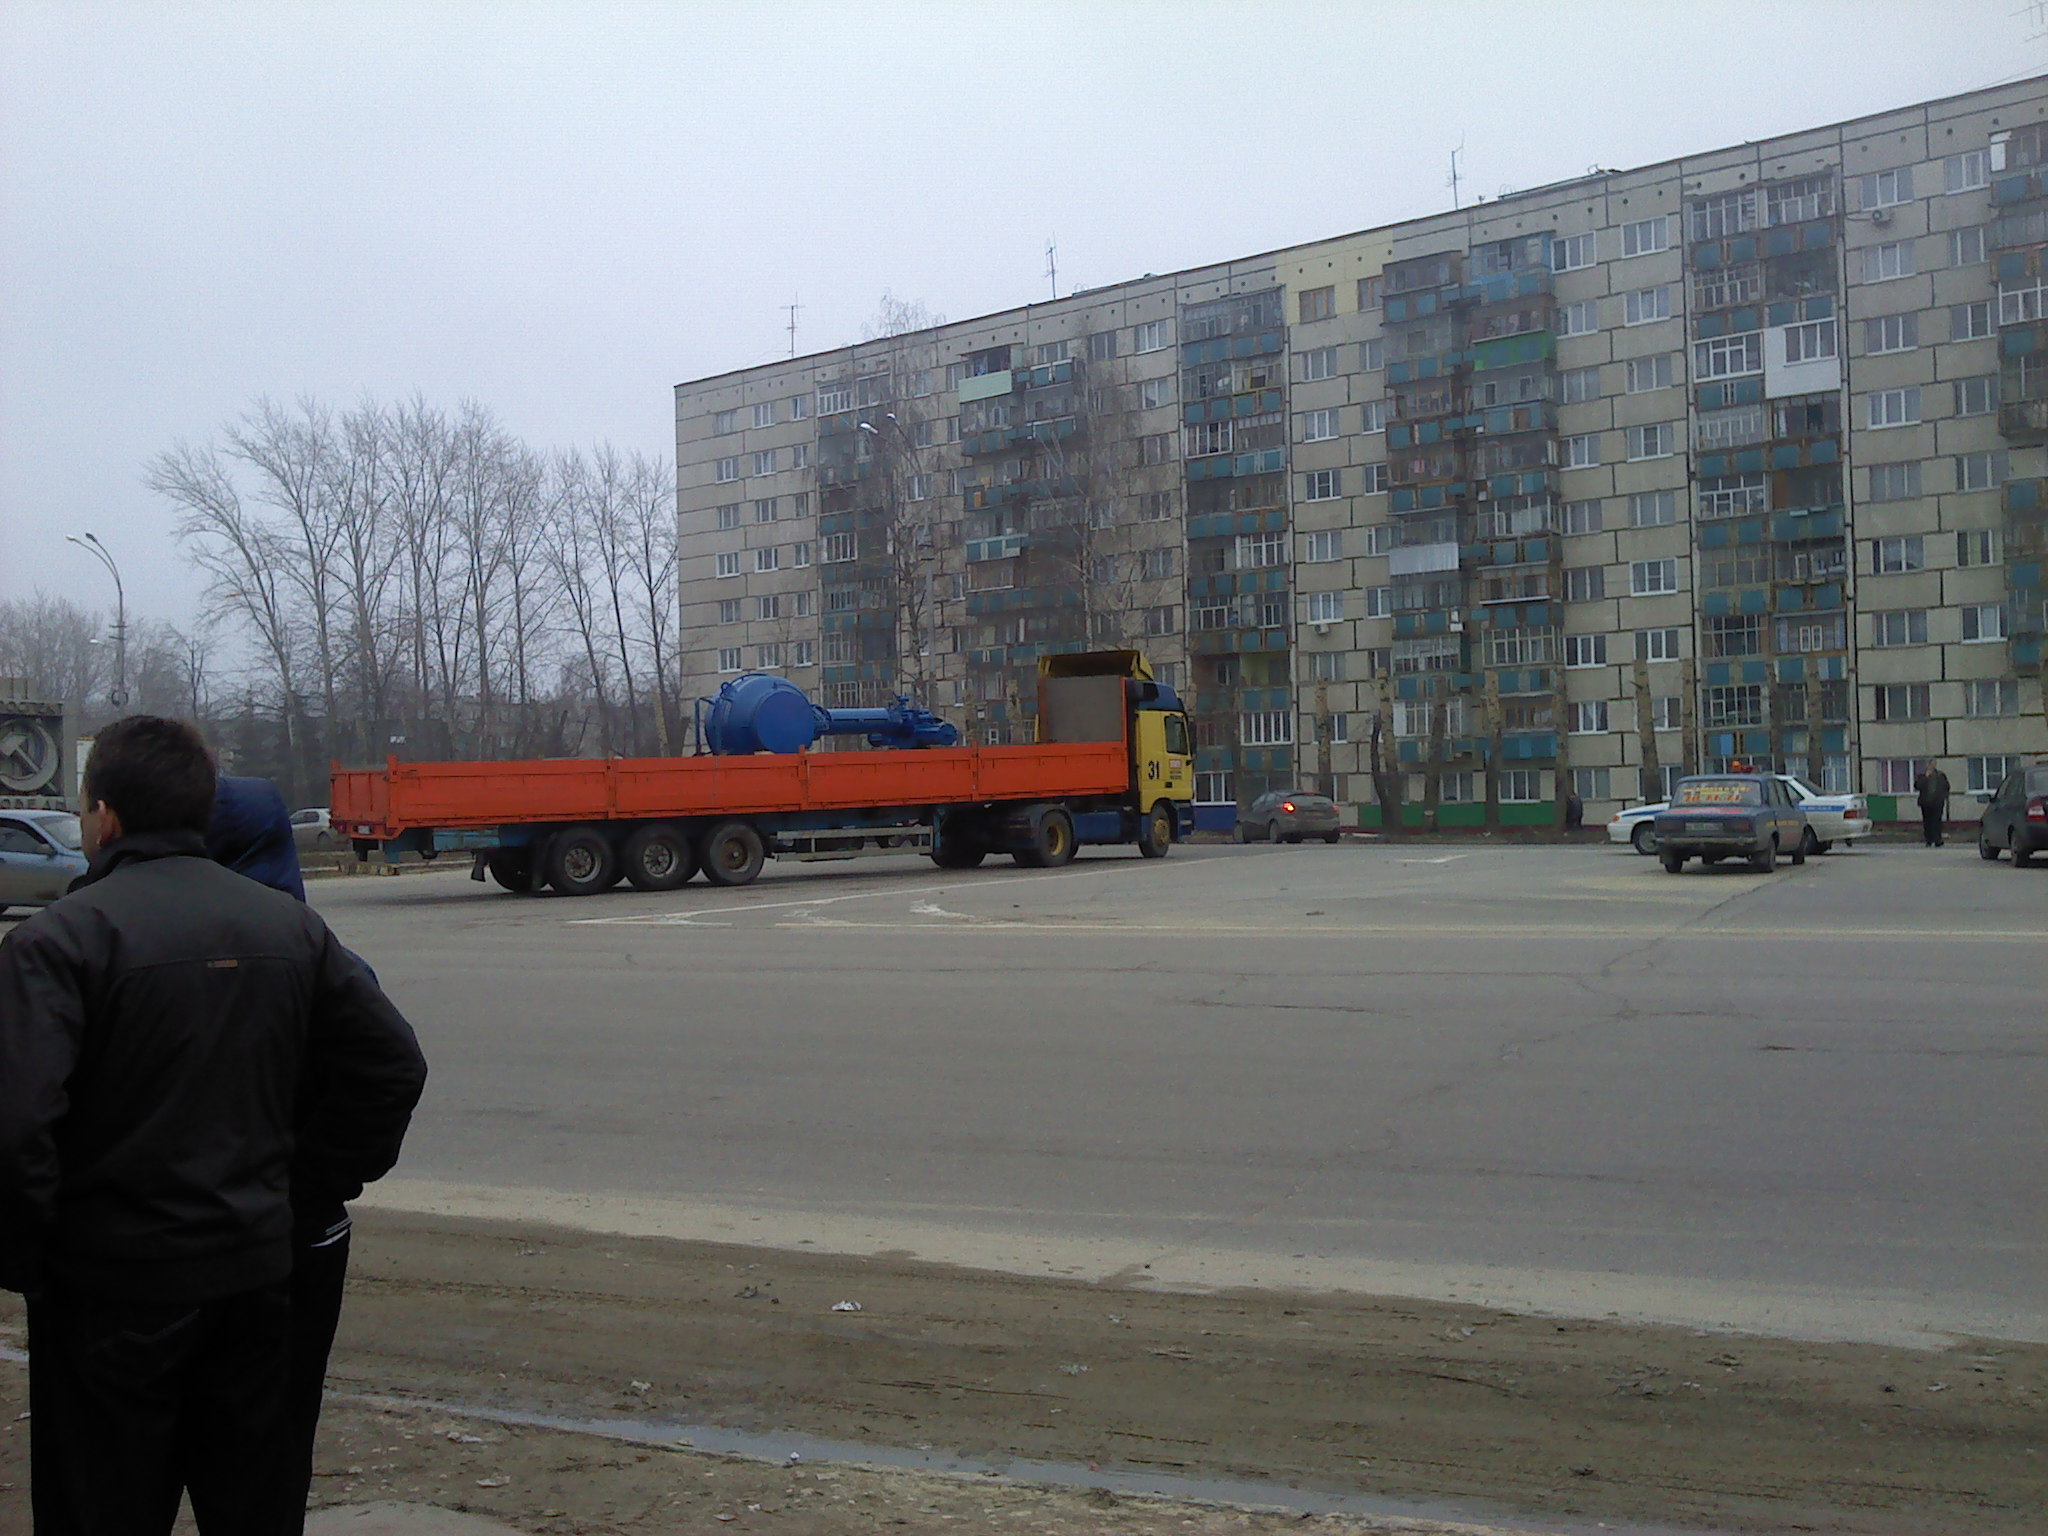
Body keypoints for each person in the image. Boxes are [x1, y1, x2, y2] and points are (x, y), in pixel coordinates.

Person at [0, 718, 428, 1534]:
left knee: (100, 1507)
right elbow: (391, 1066)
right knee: (254, 1505)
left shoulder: (56, 942)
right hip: (256, 1280)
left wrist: (33, 1258)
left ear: (106, 817)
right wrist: (304, 1189)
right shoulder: (289, 927)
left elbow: (17, 1130)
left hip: (109, 1295)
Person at [206, 774, 354, 1535]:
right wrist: (317, 1180)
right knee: (277, 1437)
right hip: (297, 1230)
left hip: (181, 1231)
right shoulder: (307, 943)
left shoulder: (165, 939)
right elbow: (387, 1071)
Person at [1913, 761, 1951, 847]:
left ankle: (1938, 840)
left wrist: (1944, 797)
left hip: (1937, 803)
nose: (1931, 766)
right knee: (1927, 822)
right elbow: (1917, 786)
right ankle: (1929, 840)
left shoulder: (1941, 775)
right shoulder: (1922, 776)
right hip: (1926, 803)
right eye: (1929, 764)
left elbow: (1947, 787)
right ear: (1927, 765)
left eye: (1933, 764)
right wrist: (1925, 777)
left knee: (1937, 821)